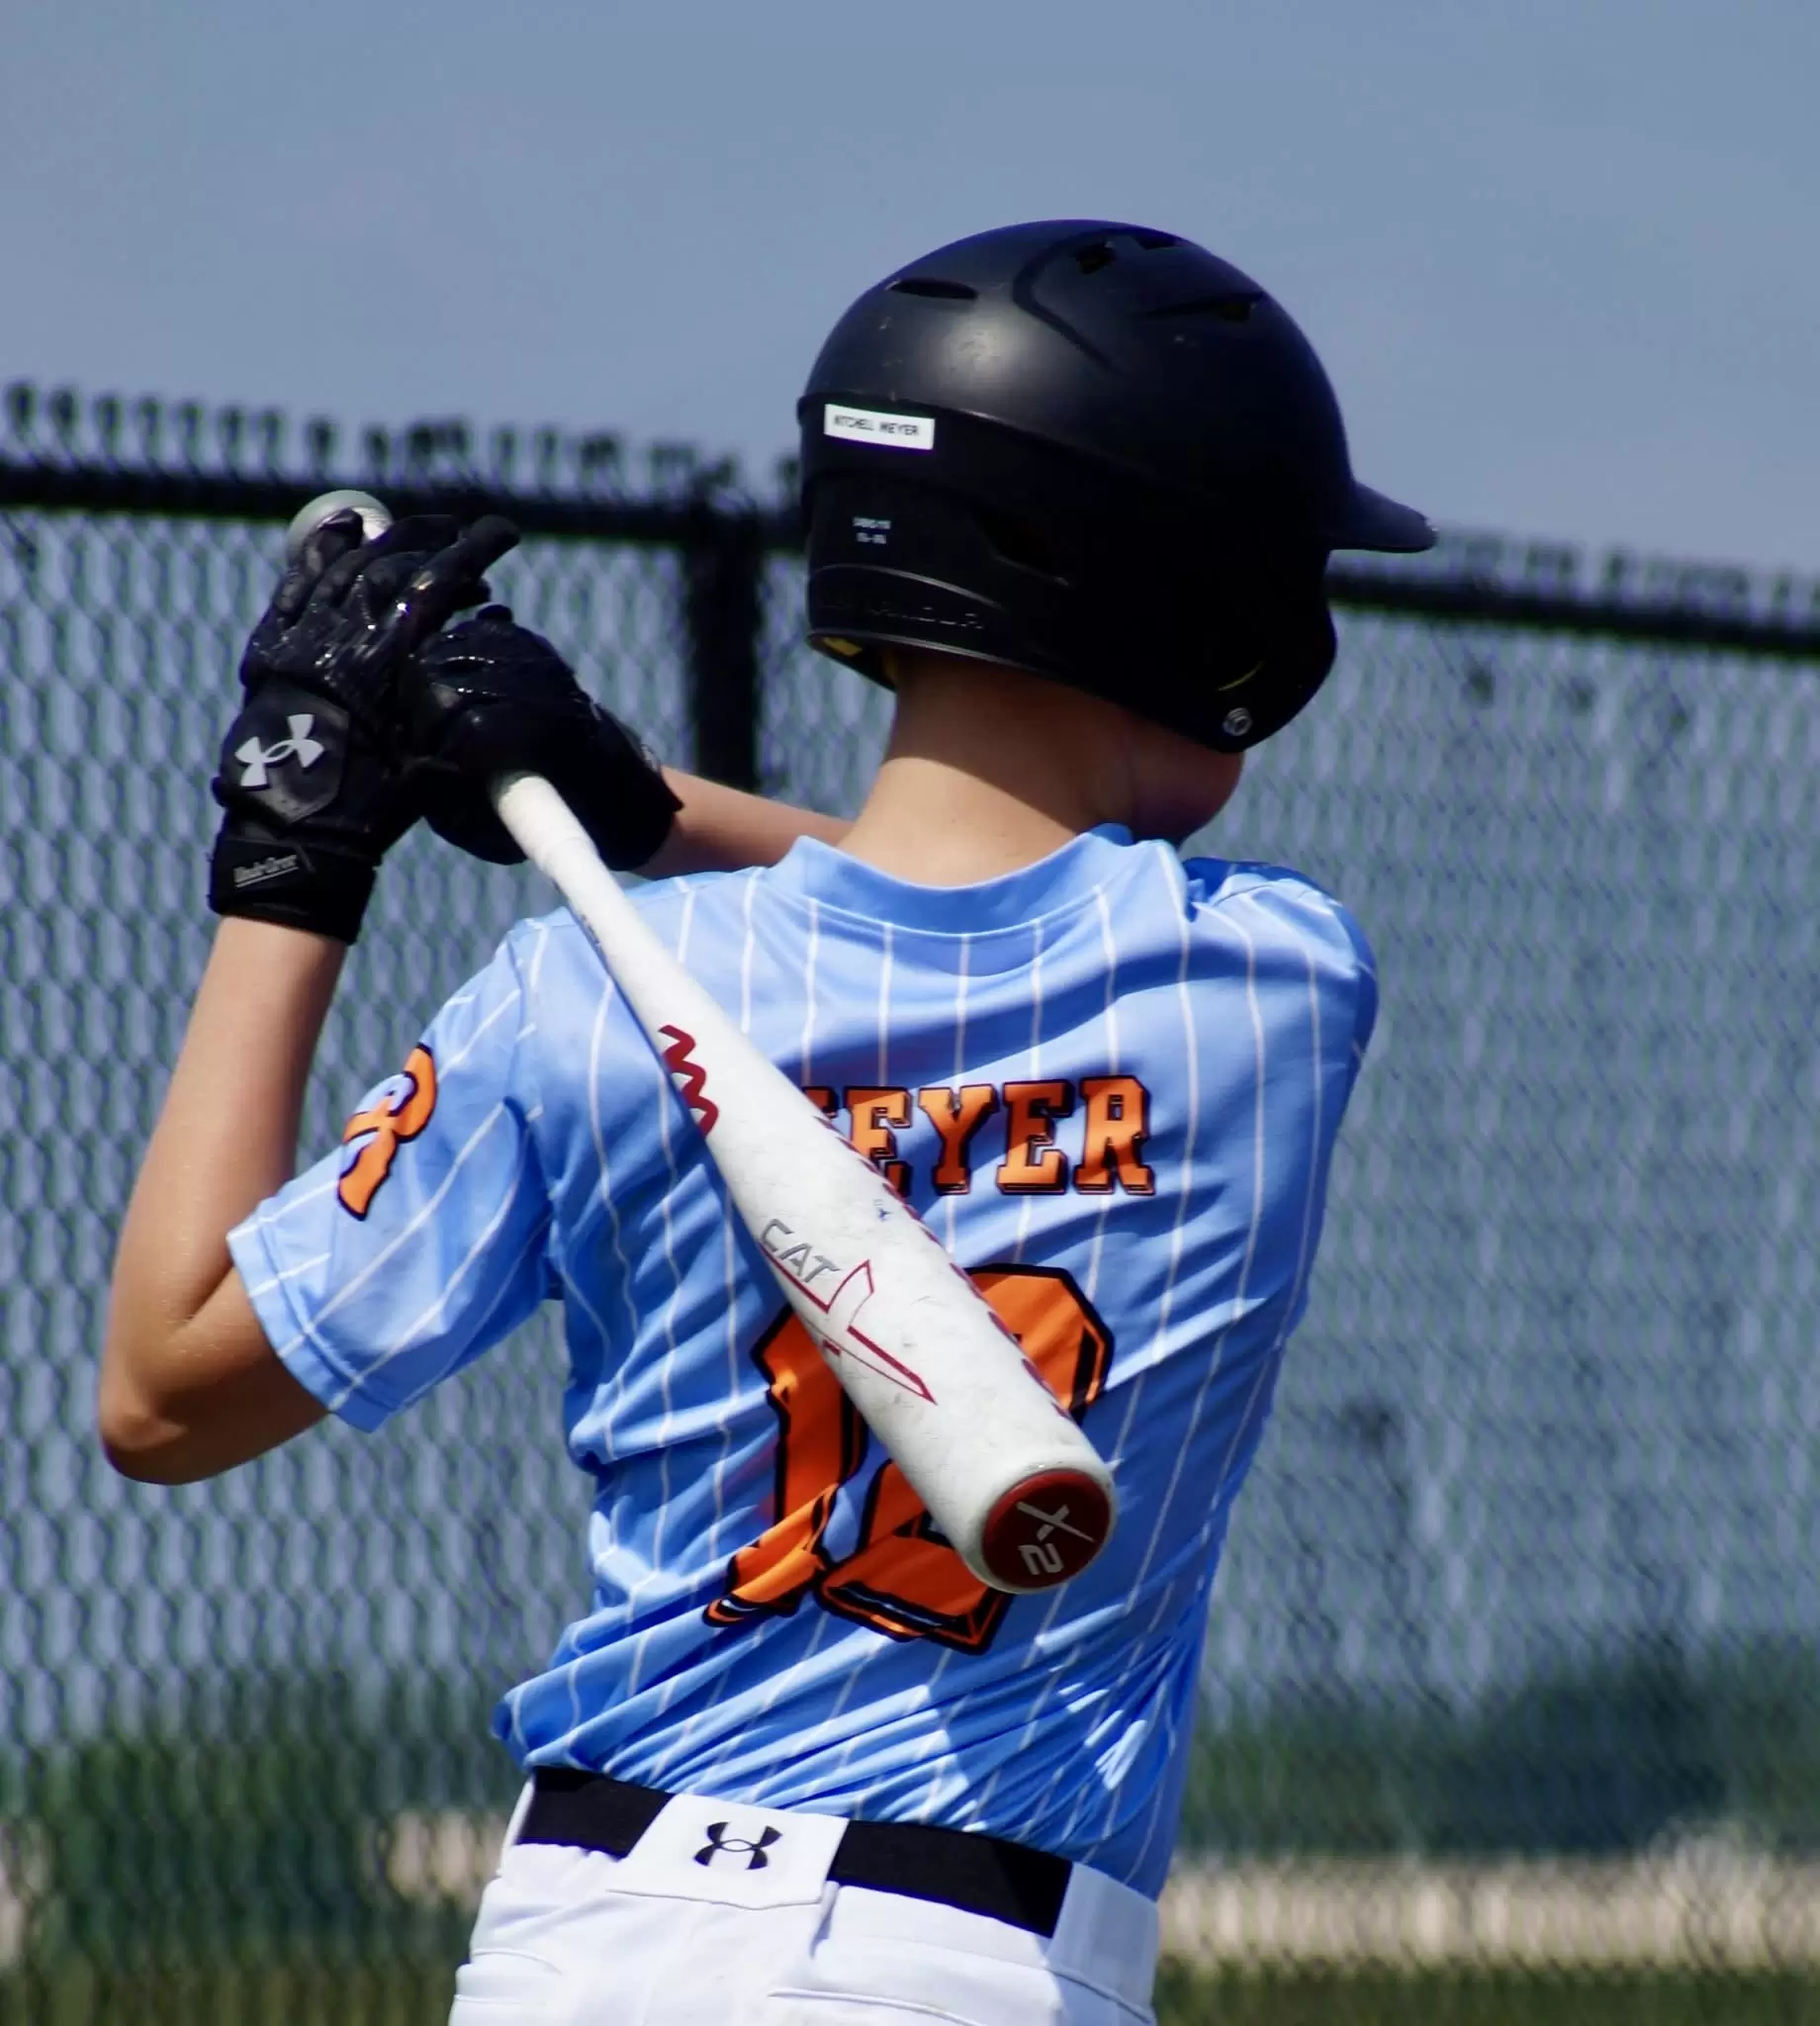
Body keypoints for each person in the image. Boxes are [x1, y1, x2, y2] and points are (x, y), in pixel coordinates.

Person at [102, 220, 1432, 2024]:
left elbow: (162, 1391)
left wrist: (297, 846)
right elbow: (963, 918)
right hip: (953, 1964)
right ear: (1188, 599)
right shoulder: (1271, 984)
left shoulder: (579, 1003)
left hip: (582, 1946)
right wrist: (653, 805)